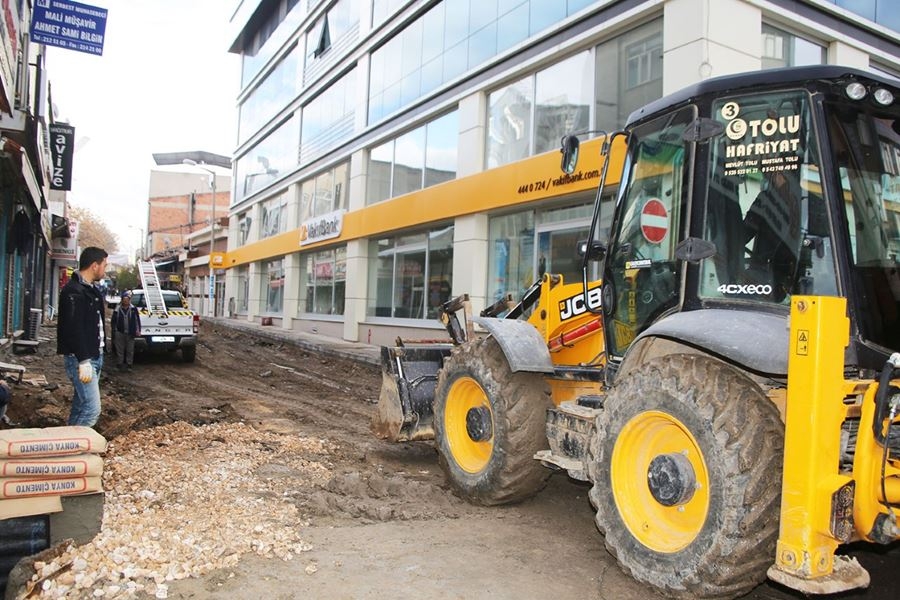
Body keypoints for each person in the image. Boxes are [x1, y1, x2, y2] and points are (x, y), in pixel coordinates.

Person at [57, 246, 108, 427]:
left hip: (94, 356)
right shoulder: (74, 291)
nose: (105, 269)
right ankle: (77, 447)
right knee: (92, 409)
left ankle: (68, 445)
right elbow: (73, 328)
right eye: (104, 265)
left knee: (80, 407)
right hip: (82, 360)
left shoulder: (90, 290)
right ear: (95, 265)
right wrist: (83, 360)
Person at [111, 291, 141, 371]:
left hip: (130, 333)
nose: (125, 301)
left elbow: (137, 320)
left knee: (130, 350)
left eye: (127, 299)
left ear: (129, 300)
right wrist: (114, 330)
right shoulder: (117, 309)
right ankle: (119, 364)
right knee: (119, 349)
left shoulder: (133, 309)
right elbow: (113, 321)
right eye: (124, 299)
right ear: (122, 300)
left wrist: (138, 330)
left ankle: (129, 365)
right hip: (119, 332)